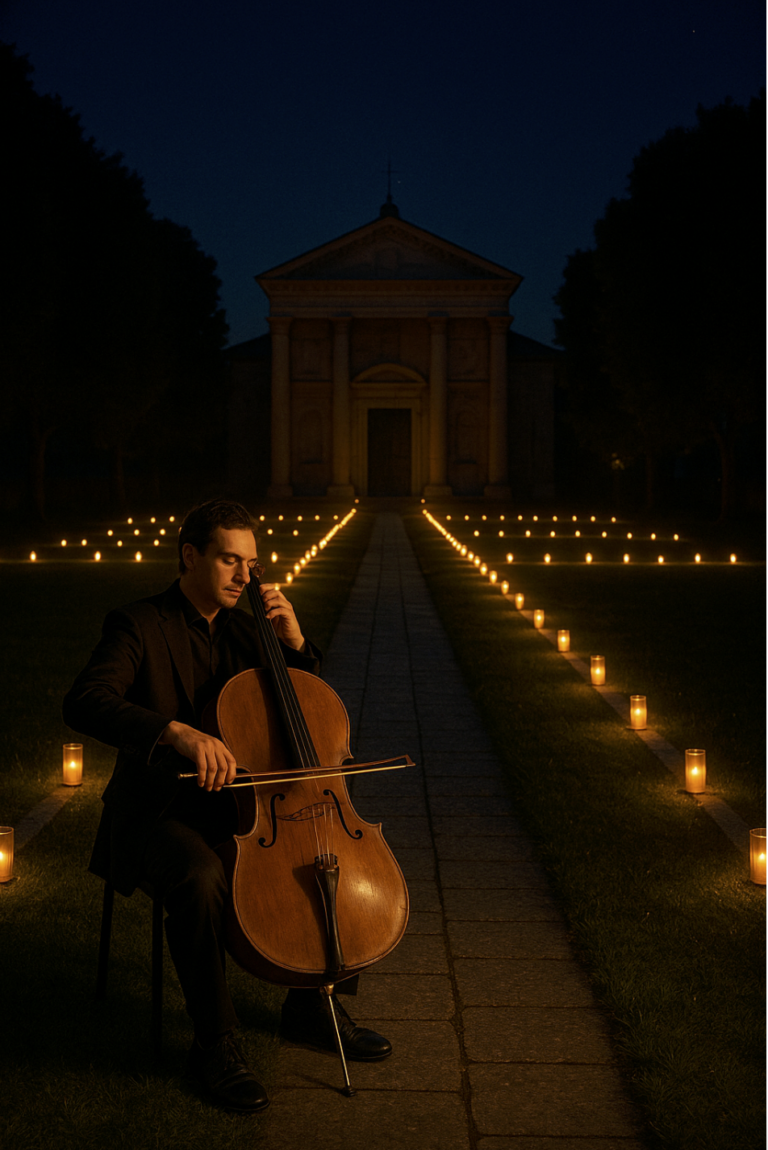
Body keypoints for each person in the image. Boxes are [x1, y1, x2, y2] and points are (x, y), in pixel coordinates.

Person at [63, 499, 391, 1114]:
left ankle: (310, 1006)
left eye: (252, 563)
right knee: (201, 875)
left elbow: (302, 708)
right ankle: (214, 1044)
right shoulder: (138, 624)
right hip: (163, 809)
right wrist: (173, 732)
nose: (246, 576)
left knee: (321, 855)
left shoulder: (251, 631)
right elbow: (85, 700)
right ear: (191, 556)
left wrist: (295, 645)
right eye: (229, 561)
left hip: (246, 807)